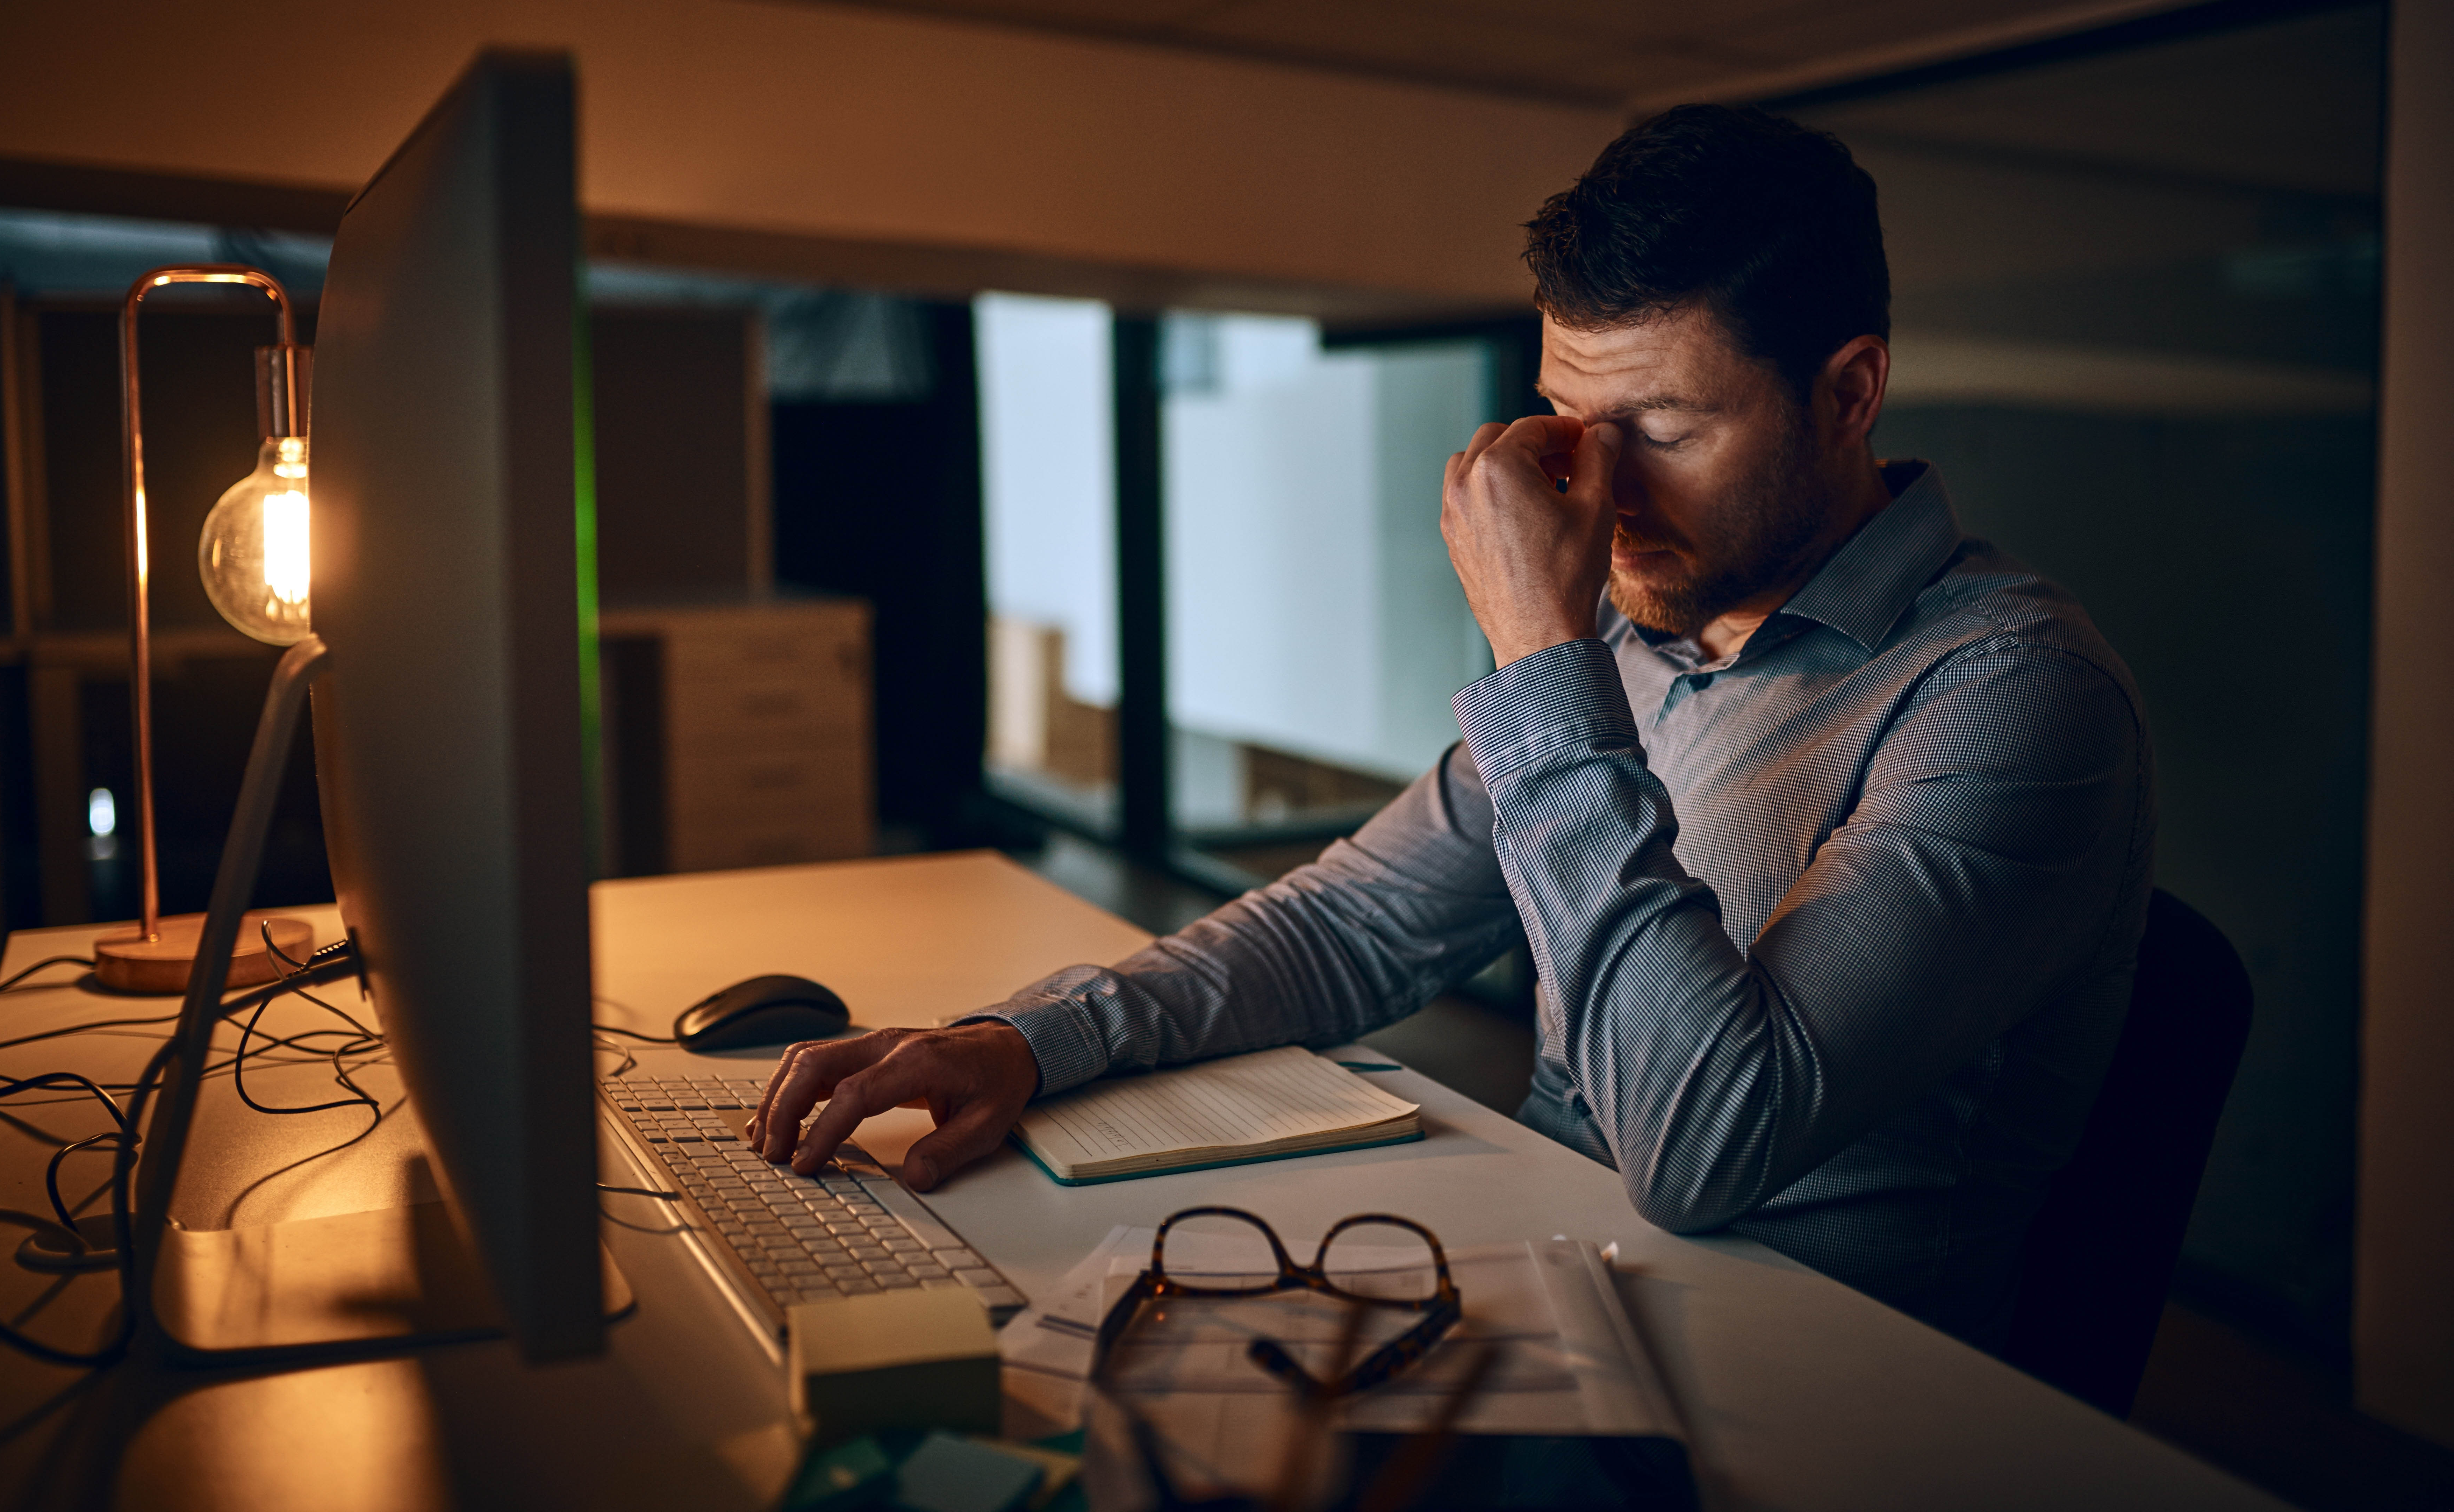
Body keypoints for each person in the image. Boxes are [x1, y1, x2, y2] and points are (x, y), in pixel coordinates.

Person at [749, 103, 2153, 1349]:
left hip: (1803, 1376)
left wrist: (1541, 653)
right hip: (1546, 1279)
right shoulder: (1637, 641)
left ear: (1848, 392)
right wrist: (1026, 1040)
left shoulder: (2015, 698)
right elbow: (1352, 923)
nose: (1600, 495)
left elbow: (1703, 1144)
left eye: (1662, 426)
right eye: (1565, 419)